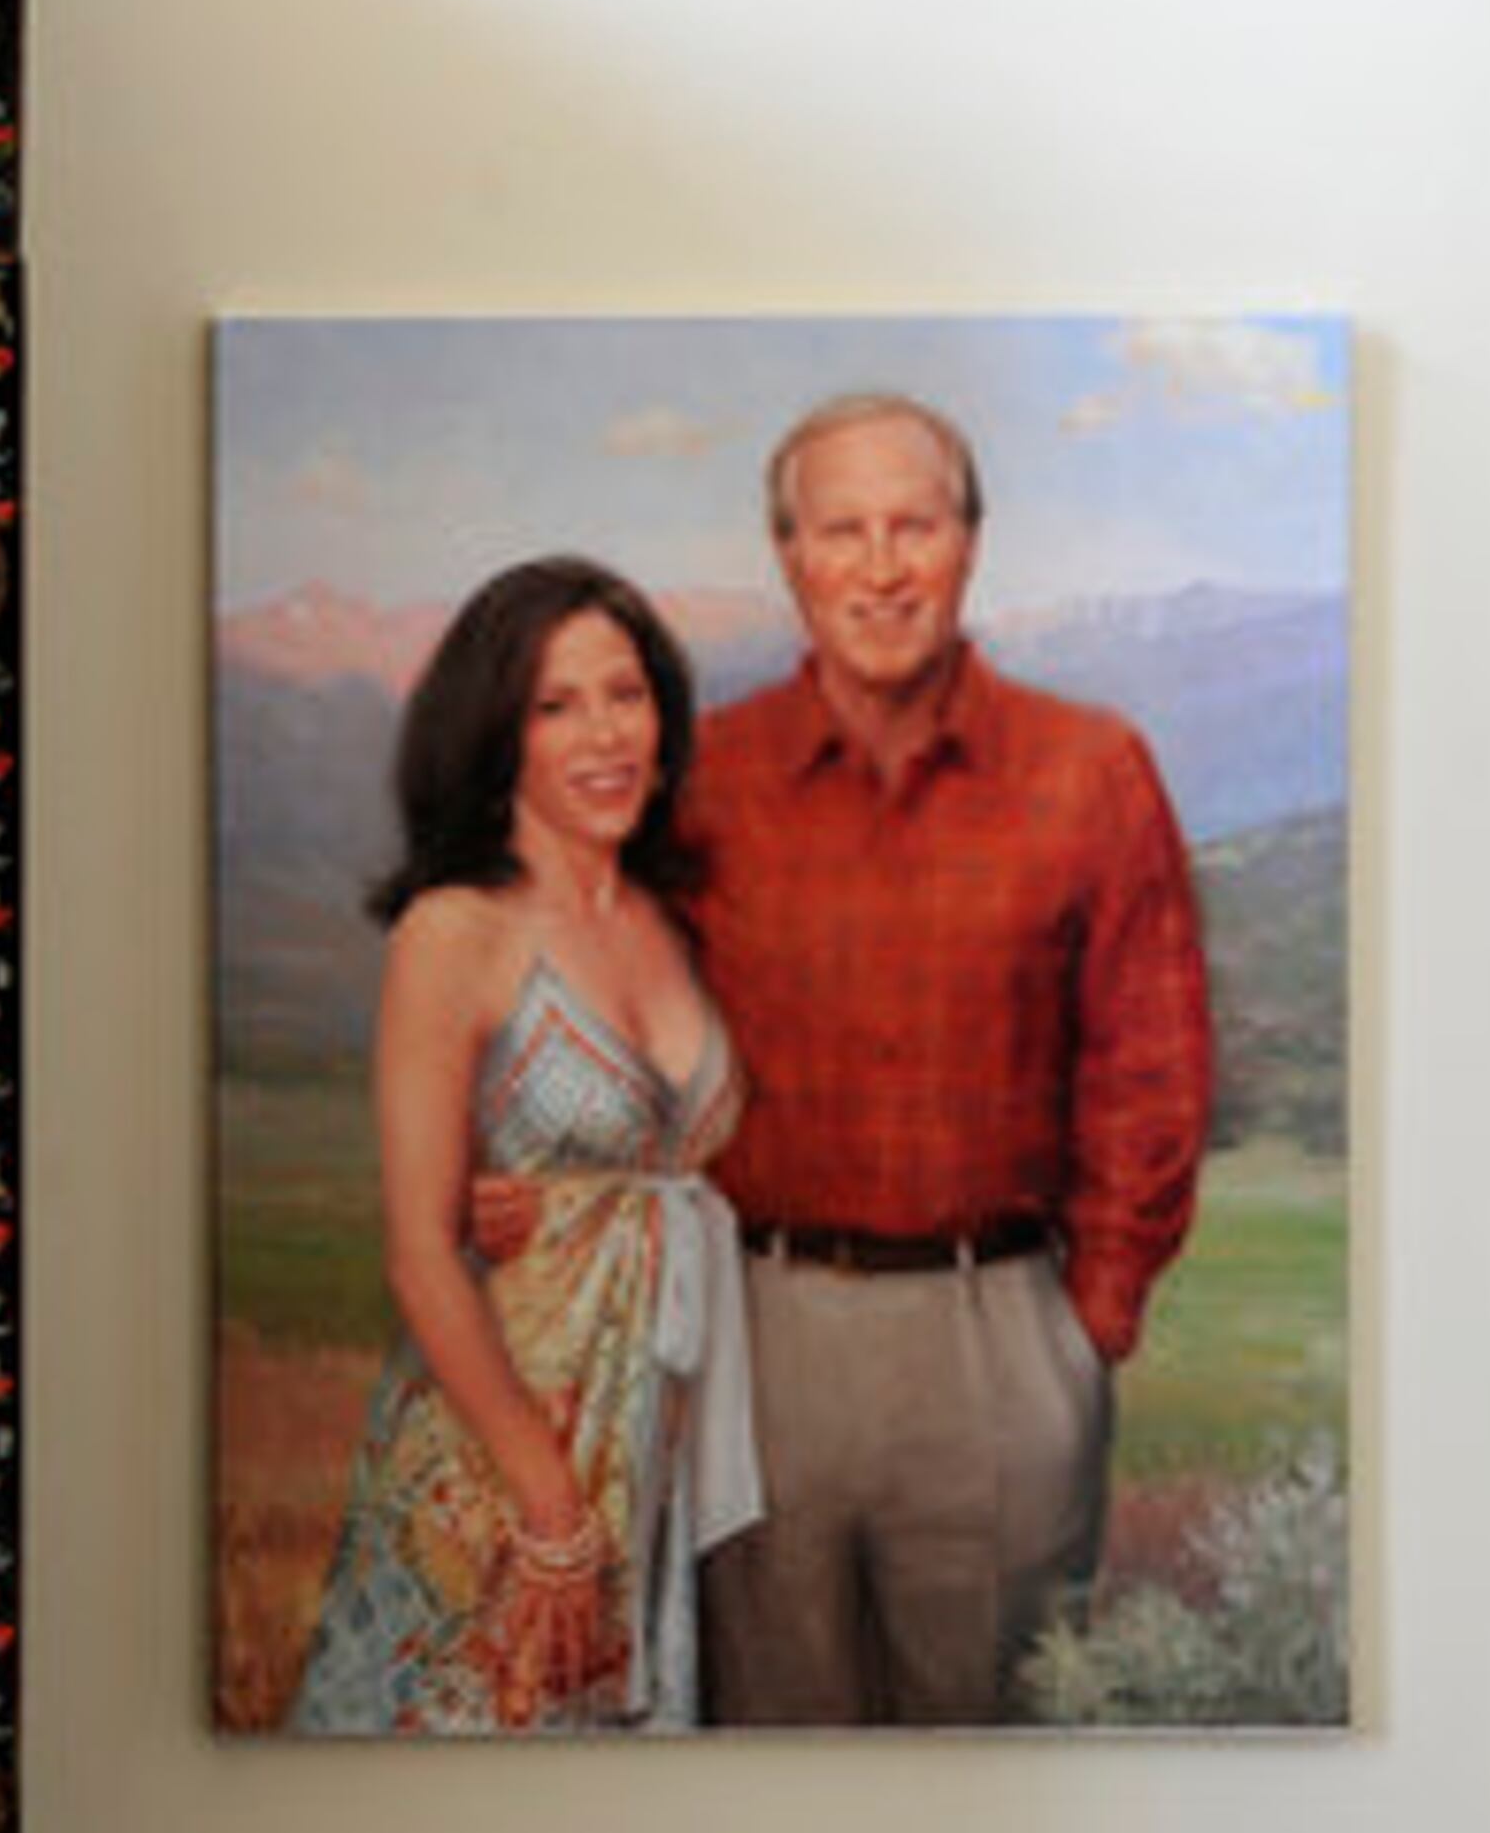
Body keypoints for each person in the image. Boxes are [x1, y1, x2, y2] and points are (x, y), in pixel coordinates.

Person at [685, 394, 1213, 1724]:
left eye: (913, 525)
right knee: (767, 1760)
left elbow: (1150, 1066)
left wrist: (1083, 1332)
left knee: (996, 1783)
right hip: (755, 1336)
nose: (879, 567)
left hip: (1001, 1332)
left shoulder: (1090, 770)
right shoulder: (706, 778)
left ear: (971, 542)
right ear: (787, 554)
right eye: (841, 531)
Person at [291, 557, 763, 1734]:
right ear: (496, 733)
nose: (605, 735)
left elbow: (672, 1172)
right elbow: (418, 1249)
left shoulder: (672, 916)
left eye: (627, 694)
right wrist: (547, 1501)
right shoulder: (456, 931)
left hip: (648, 1440)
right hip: (498, 1460)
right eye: (558, 707)